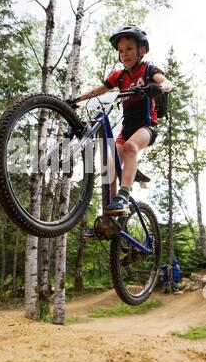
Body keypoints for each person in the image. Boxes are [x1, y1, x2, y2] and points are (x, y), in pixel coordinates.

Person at [72, 25, 173, 220]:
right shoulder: (119, 76)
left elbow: (168, 83)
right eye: (120, 50)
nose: (124, 54)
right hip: (126, 130)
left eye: (129, 48)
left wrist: (158, 87)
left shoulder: (148, 69)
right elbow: (97, 91)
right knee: (109, 165)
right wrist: (76, 100)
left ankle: (124, 195)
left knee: (130, 147)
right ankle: (109, 218)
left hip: (147, 127)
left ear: (141, 50)